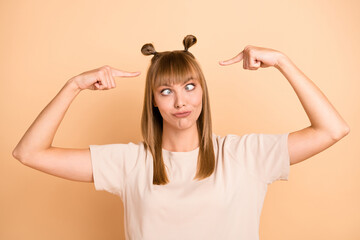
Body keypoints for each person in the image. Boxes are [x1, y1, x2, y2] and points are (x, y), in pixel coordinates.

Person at [12, 34, 350, 240]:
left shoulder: (246, 155)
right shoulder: (130, 162)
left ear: (203, 92)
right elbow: (29, 153)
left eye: (190, 87)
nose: (181, 101)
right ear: (153, 101)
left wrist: (282, 62)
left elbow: (332, 129)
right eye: (166, 91)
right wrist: (73, 86)